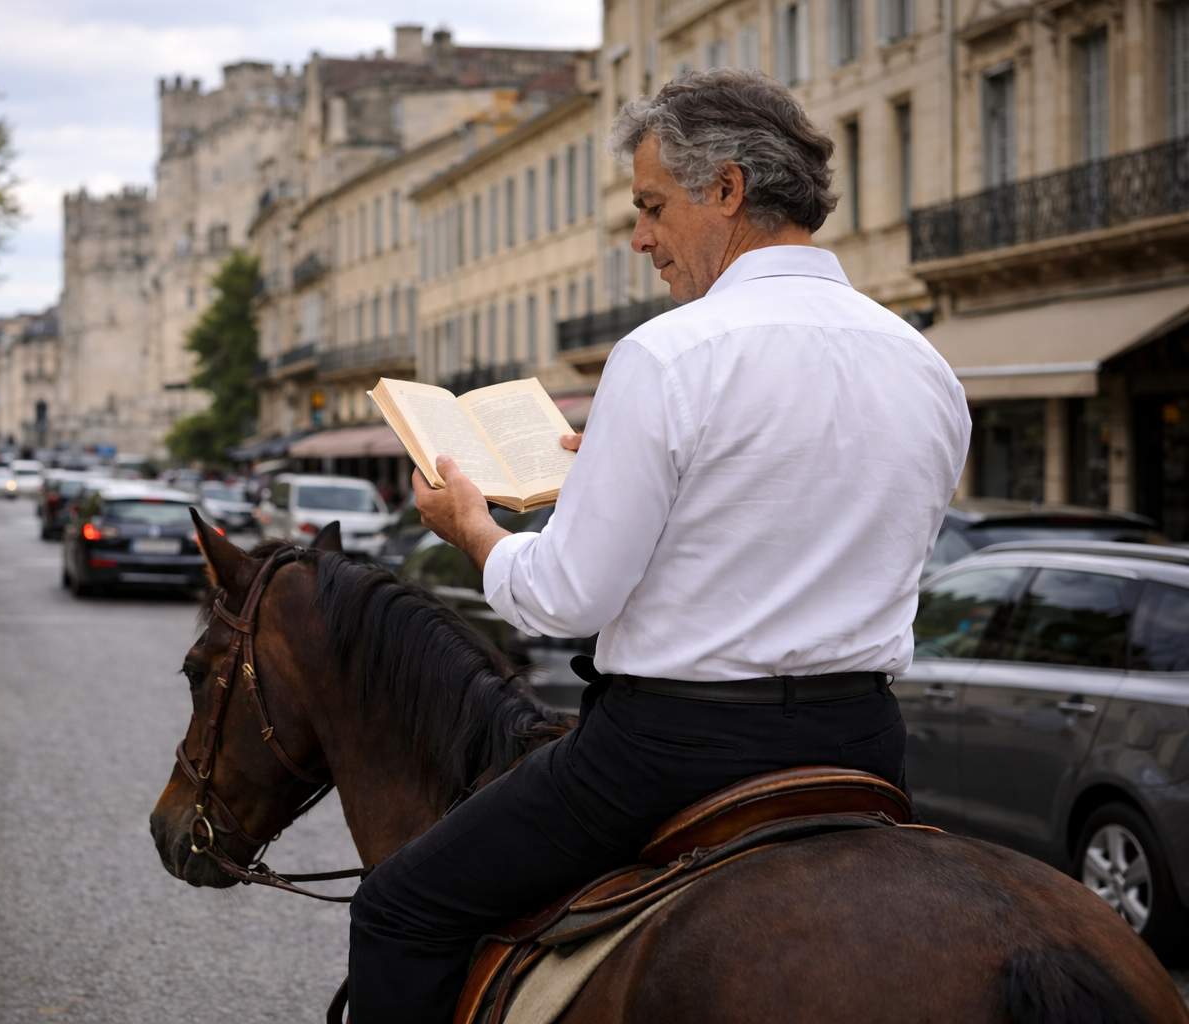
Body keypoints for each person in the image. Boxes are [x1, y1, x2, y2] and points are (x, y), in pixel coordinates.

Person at [346, 68, 971, 1023]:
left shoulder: (669, 354)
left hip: (675, 751)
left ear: (725, 189)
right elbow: (801, 517)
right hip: (862, 741)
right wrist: (636, 474)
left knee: (398, 909)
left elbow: (563, 600)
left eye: (650, 207)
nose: (639, 238)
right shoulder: (925, 362)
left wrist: (473, 527)